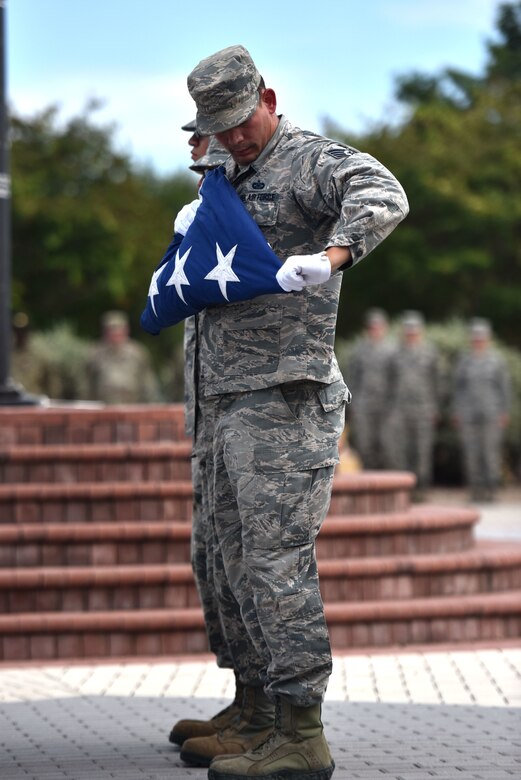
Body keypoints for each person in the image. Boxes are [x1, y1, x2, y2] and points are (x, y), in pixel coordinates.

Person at [169, 44, 409, 779]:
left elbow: (384, 194)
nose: (232, 136)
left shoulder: (310, 160)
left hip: (284, 397)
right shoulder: (222, 167)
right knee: (223, 558)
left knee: (274, 562)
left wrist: (332, 256)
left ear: (268, 98)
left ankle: (301, 731)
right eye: (217, 126)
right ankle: (255, 709)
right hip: (223, 397)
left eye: (241, 122)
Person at [452, 318, 511, 502]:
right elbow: (457, 388)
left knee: (490, 453)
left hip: (491, 415)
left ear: (488, 338)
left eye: (482, 337)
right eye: (475, 337)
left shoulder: (497, 361)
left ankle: (491, 491)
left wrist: (505, 412)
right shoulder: (464, 361)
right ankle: (475, 491)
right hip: (468, 415)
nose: (478, 340)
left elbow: (504, 388)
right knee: (472, 454)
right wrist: (456, 411)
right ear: (471, 339)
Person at [386, 311, 439, 498]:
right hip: (400, 410)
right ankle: (405, 490)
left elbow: (436, 382)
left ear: (420, 331)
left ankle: (422, 490)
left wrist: (434, 408)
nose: (411, 334)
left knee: (422, 451)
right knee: (402, 451)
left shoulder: (430, 353)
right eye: (408, 330)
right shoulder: (395, 355)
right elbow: (389, 383)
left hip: (423, 410)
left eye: (414, 330)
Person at [347, 308, 394, 469]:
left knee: (385, 445)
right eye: (372, 327)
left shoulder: (392, 352)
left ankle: (383, 483)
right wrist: (352, 404)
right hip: (363, 405)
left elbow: (395, 380)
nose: (375, 330)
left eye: (378, 327)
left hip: (385, 405)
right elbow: (352, 378)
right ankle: (368, 481)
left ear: (385, 328)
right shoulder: (359, 351)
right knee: (364, 445)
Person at [86, 310, 161, 403]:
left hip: (132, 407)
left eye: (119, 329)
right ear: (104, 332)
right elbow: (87, 385)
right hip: (103, 408)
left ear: (126, 330)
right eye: (111, 329)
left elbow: (148, 384)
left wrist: (152, 405)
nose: (115, 333)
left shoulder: (137, 352)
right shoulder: (95, 353)